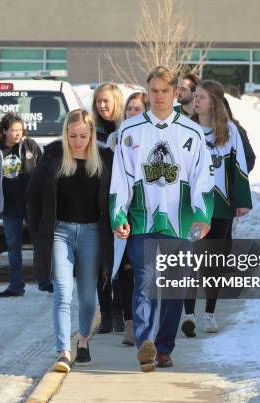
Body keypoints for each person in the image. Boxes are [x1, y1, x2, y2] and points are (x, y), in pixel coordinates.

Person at [110, 66, 214, 371]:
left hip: (180, 224)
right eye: (153, 91)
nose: (159, 97)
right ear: (147, 91)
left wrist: (203, 215)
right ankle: (146, 343)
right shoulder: (129, 132)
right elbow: (120, 180)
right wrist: (118, 215)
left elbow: (202, 179)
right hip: (141, 222)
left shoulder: (192, 132)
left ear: (176, 93)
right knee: (144, 282)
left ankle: (165, 347)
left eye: (165, 91)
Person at [26, 109, 113, 373]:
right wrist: (38, 229)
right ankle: (63, 351)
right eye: (73, 135)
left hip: (92, 234)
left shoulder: (105, 158)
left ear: (91, 135)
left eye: (83, 136)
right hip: (59, 233)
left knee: (88, 299)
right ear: (65, 133)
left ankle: (83, 340)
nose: (78, 141)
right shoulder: (52, 156)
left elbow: (115, 198)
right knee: (63, 293)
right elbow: (32, 196)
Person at [181, 79, 252, 336]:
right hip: (192, 208)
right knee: (189, 259)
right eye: (195, 96)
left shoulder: (230, 131)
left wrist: (242, 200)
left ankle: (209, 313)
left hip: (221, 206)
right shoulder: (185, 128)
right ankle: (188, 314)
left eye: (200, 97)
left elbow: (240, 166)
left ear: (213, 101)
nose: (195, 101)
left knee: (214, 262)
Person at [0, 113, 52, 297]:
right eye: (13, 130)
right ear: (4, 131)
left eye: (20, 130)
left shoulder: (30, 146)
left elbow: (45, 173)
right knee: (13, 245)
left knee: (40, 243)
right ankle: (16, 286)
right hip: (9, 206)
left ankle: (45, 282)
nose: (18, 134)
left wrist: (48, 200)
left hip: (31, 205)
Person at [106, 91, 149, 347]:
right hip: (121, 213)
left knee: (144, 272)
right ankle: (129, 324)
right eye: (129, 109)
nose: (132, 113)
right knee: (123, 271)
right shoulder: (115, 141)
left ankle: (146, 322)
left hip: (146, 214)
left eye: (137, 109)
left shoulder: (154, 139)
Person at [91, 83, 125, 334]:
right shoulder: (92, 132)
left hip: (124, 205)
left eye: (106, 101)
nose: (102, 106)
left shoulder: (130, 130)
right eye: (98, 101)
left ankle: (122, 312)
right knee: (100, 263)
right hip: (97, 205)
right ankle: (107, 314)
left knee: (123, 263)